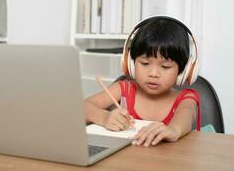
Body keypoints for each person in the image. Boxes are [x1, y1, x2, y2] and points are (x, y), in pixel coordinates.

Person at [84, 16, 200, 147]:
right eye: (145, 63)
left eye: (165, 67)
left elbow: (186, 116)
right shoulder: (123, 89)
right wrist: (104, 118)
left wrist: (173, 130)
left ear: (184, 71)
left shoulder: (186, 98)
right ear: (131, 64)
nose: (153, 74)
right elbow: (81, 107)